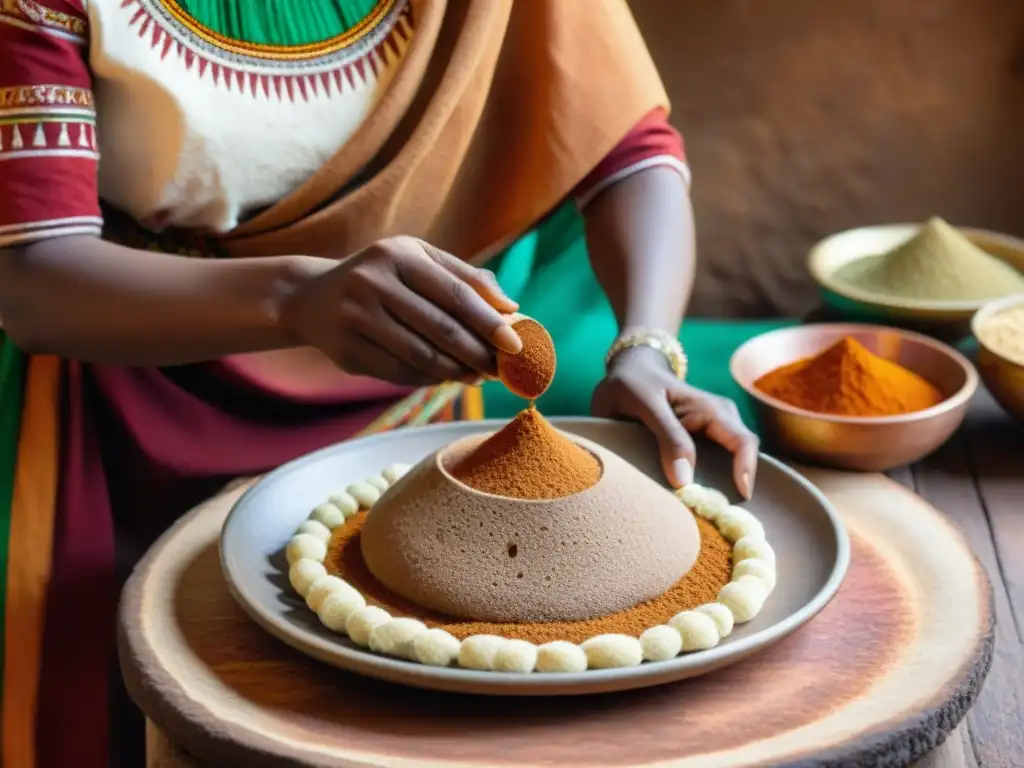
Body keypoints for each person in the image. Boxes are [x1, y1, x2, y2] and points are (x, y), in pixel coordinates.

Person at [0, 1, 759, 765]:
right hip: (132, 390)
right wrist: (294, 301)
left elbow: (624, 144)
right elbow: (32, 281)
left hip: (414, 392)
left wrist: (647, 347)